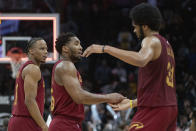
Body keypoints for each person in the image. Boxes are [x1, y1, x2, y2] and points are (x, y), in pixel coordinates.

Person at [83, 3, 177, 131]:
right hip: (169, 108)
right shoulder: (167, 45)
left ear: (144, 25)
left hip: (155, 110)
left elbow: (141, 59)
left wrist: (105, 49)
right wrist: (133, 102)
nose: (134, 30)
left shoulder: (151, 40)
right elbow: (159, 91)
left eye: (135, 27)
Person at [48, 32, 125, 131]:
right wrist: (108, 97)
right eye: (76, 44)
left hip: (68, 123)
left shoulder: (64, 66)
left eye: (80, 44)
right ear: (65, 48)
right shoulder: (66, 65)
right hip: (64, 124)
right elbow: (79, 96)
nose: (80, 47)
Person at [8, 38, 48, 131]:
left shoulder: (26, 67)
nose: (45, 52)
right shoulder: (33, 69)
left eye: (46, 49)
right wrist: (44, 126)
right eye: (42, 49)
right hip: (26, 122)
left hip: (18, 121)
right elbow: (29, 101)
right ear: (31, 51)